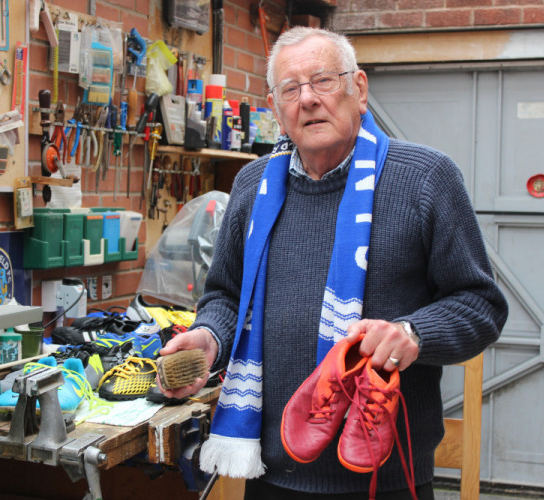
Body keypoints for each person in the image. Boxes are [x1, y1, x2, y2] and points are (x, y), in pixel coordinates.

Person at [158, 26, 508, 499]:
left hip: (385, 480)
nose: (308, 99)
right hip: (271, 473)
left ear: (358, 89)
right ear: (277, 110)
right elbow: (226, 295)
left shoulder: (426, 179)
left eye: (323, 80)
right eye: (290, 89)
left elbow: (480, 305)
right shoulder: (251, 186)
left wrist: (412, 333)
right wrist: (211, 336)